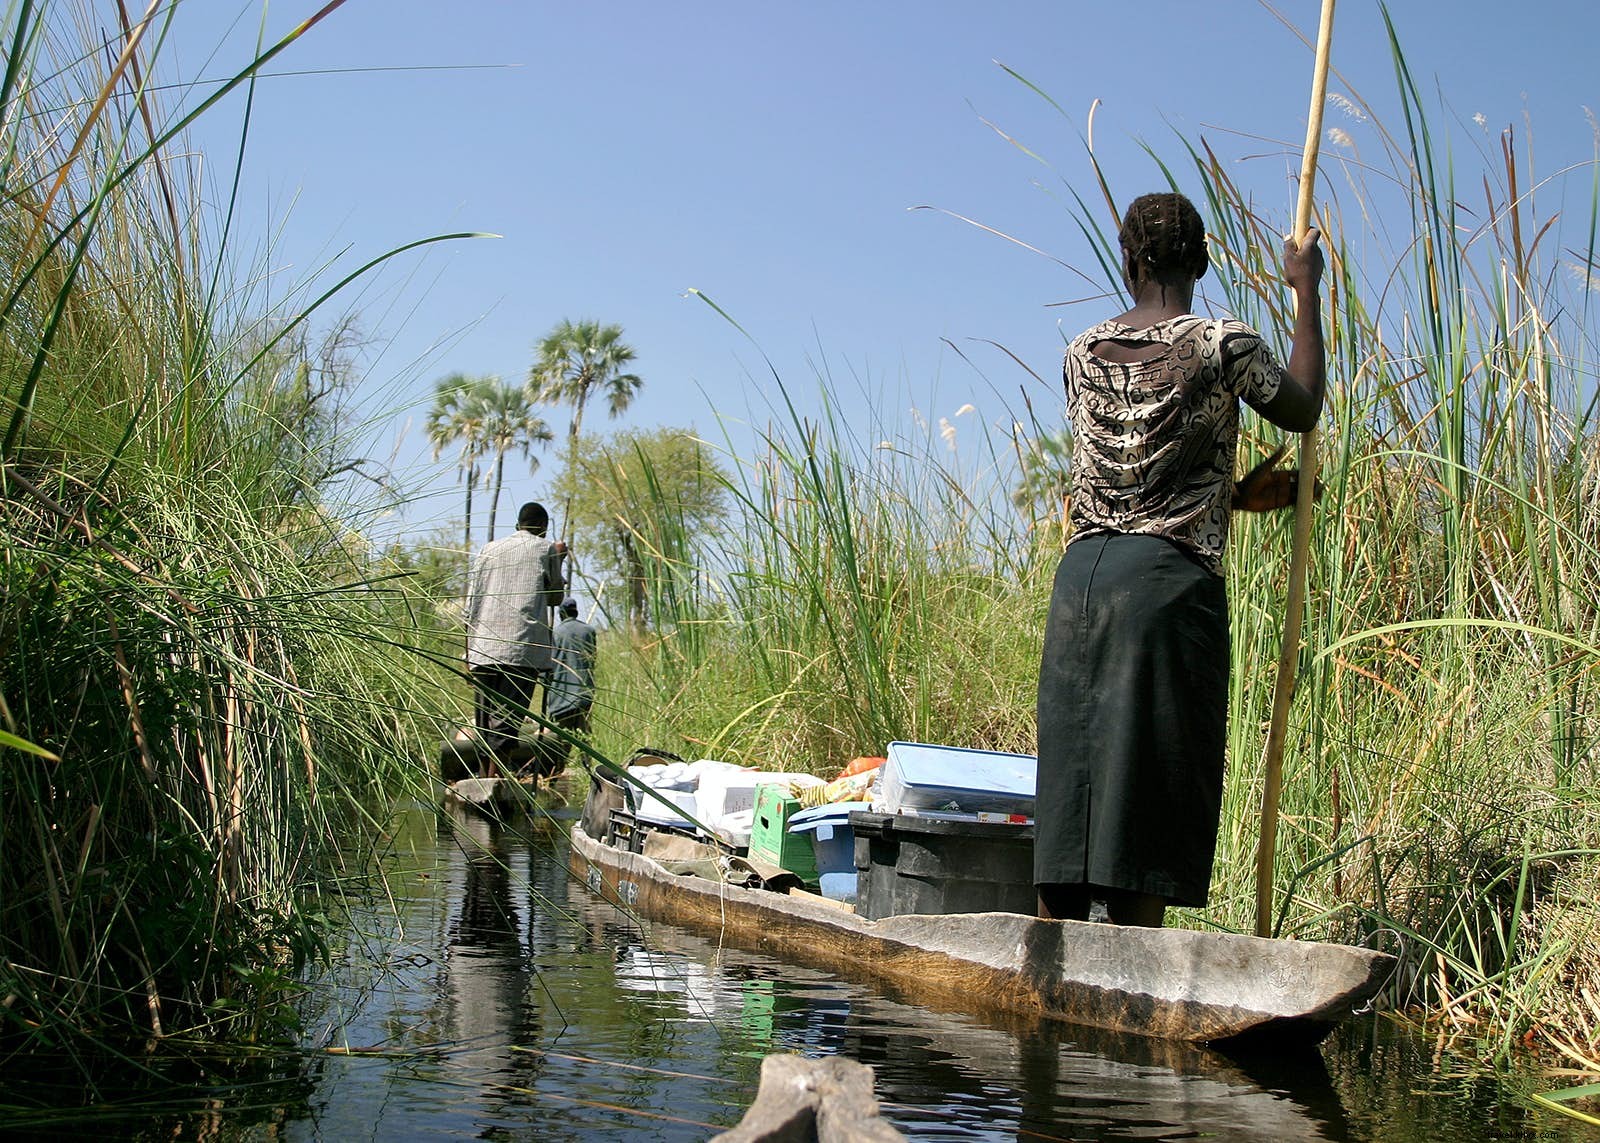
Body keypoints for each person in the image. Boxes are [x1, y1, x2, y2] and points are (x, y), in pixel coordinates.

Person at [1034, 191, 1325, 927]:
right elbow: (1302, 406)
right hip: (1164, 592)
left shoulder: (1082, 352)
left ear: (1128, 261)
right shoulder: (1221, 343)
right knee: (1147, 809)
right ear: (1201, 262)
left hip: (1081, 587)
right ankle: (1130, 975)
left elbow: (1132, 472)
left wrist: (1235, 496)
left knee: (1074, 807)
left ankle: (1049, 970)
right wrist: (1305, 291)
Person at [463, 501, 567, 775]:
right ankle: (494, 779)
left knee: (484, 722)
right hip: (521, 648)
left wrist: (468, 652)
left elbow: (470, 605)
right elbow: (555, 598)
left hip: (483, 647)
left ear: (517, 525)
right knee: (507, 721)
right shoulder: (546, 549)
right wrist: (559, 560)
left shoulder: (488, 549)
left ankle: (486, 778)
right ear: (543, 527)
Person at [532, 596, 598, 778]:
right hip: (584, 694)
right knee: (585, 739)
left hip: (562, 697)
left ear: (561, 613)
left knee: (559, 742)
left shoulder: (555, 633)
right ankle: (589, 775)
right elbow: (592, 659)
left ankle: (553, 775)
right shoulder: (589, 631)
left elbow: (547, 665)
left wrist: (543, 679)